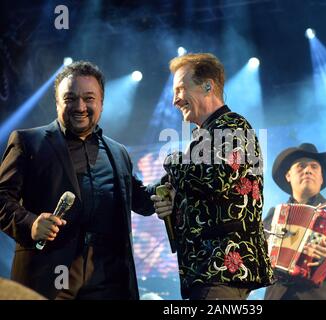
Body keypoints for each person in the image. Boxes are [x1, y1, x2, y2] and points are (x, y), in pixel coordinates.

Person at [0, 61, 167, 299]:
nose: (80, 106)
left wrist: (175, 179)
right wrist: (31, 223)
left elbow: (142, 200)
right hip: (50, 277)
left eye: (89, 98)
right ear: (57, 102)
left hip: (110, 278)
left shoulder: (118, 152)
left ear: (101, 103)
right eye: (70, 98)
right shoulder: (28, 142)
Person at [159, 53, 273, 300]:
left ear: (208, 85)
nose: (175, 100)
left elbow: (218, 178)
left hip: (221, 268)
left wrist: (172, 160)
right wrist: (167, 196)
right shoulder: (206, 136)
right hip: (207, 270)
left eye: (180, 89)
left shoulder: (231, 125)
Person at [263, 143, 326, 300]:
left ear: (321, 177)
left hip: (322, 294)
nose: (308, 170)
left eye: (314, 167)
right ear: (288, 176)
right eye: (301, 166)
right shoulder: (274, 215)